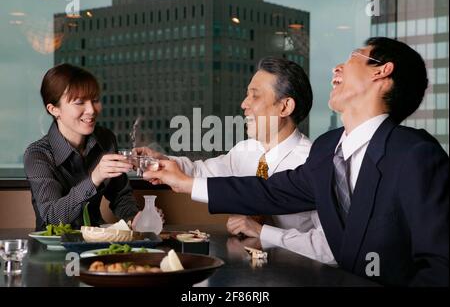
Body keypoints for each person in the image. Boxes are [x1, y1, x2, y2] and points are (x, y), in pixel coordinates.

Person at [143, 37, 449, 286]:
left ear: (381, 72)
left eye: (354, 56)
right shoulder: (328, 149)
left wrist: (265, 233)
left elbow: (440, 266)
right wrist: (184, 182)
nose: (336, 68)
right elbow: (269, 191)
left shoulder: (415, 154)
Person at [137, 57, 335, 264]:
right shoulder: (244, 151)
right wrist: (162, 161)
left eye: (255, 96)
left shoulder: (313, 163)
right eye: (246, 95)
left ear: (285, 107)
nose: (244, 104)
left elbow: (328, 248)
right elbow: (199, 172)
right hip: (248, 272)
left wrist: (262, 231)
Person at [24, 64, 142, 230]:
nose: (91, 110)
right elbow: (52, 217)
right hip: (54, 247)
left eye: (95, 100)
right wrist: (94, 179)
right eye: (79, 102)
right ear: (54, 109)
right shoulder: (38, 154)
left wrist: (135, 217)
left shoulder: (105, 139)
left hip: (97, 242)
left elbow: (120, 194)